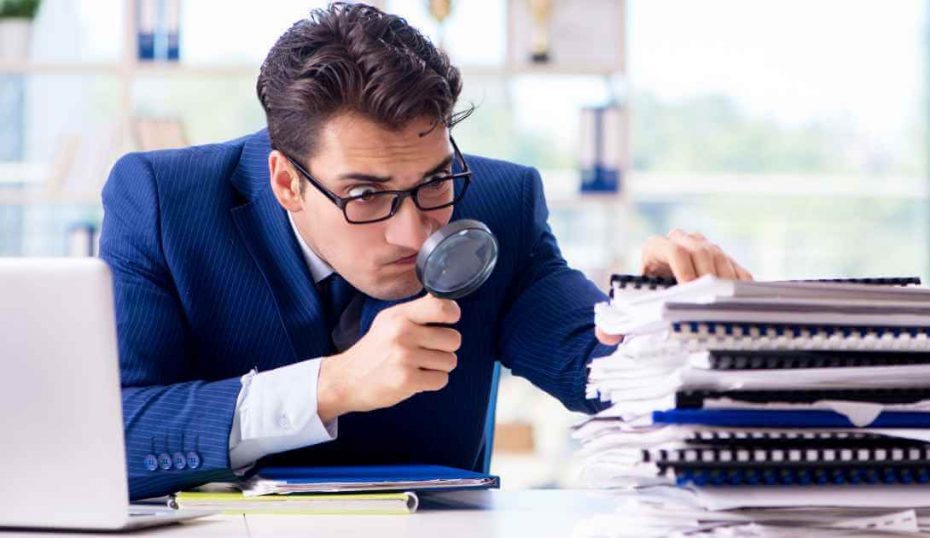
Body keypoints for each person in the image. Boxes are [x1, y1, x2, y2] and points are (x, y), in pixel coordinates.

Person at [99, 3, 752, 500]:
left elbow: (604, 375)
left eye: (435, 181)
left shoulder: (501, 202)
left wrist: (666, 315)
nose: (415, 236)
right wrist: (332, 388)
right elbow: (113, 438)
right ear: (286, 182)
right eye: (366, 195)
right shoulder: (164, 203)